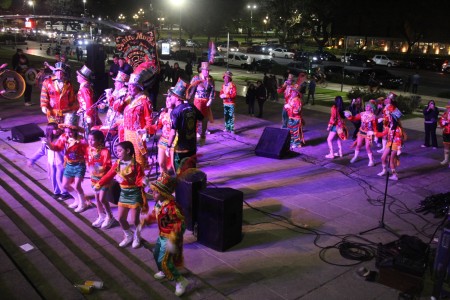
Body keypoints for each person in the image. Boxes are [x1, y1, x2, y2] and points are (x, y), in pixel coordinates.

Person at [94, 141, 147, 248]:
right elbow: (108, 175)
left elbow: (141, 179)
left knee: (134, 220)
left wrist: (146, 183)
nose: (117, 153)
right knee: (121, 219)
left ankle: (137, 236)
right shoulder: (118, 163)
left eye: (119, 151)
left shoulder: (136, 165)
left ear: (127, 151)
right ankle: (128, 235)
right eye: (117, 151)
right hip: (123, 194)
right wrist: (99, 184)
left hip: (135, 194)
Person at [145, 172, 189, 297]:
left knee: (165, 261)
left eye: (156, 192)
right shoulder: (159, 203)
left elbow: (181, 222)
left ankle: (181, 281)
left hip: (170, 238)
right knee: (155, 254)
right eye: (153, 191)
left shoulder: (172, 207)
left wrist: (175, 235)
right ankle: (164, 272)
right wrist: (146, 221)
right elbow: (155, 214)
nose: (153, 194)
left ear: (164, 193)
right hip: (162, 235)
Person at [46, 113, 89, 212]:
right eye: (66, 131)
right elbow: (57, 148)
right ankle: (77, 200)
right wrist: (48, 144)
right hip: (69, 164)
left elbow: (88, 152)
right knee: (65, 185)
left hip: (79, 165)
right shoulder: (64, 137)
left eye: (70, 132)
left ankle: (83, 204)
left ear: (75, 131)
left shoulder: (81, 140)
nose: (68, 134)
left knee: (77, 185)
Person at [115, 72, 154, 169]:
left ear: (138, 87)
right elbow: (117, 109)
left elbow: (149, 119)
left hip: (137, 135)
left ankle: (139, 180)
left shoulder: (144, 101)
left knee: (138, 158)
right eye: (129, 86)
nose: (129, 89)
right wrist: (121, 100)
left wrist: (146, 130)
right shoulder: (129, 99)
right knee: (127, 157)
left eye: (132, 87)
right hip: (126, 132)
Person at [27, 123, 71, 201]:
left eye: (58, 128)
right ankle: (57, 192)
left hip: (61, 162)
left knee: (60, 178)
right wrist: (32, 159)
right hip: (51, 163)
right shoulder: (47, 141)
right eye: (55, 129)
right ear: (50, 130)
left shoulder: (63, 138)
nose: (58, 130)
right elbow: (41, 151)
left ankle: (65, 193)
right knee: (52, 177)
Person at [167, 79, 204, 171]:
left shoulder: (175, 112)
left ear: (178, 98)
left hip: (181, 149)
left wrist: (168, 146)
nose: (170, 97)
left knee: (180, 174)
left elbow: (173, 133)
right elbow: (202, 118)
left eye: (172, 95)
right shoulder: (191, 107)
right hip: (192, 147)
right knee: (191, 172)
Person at [87, 130, 115, 229]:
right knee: (97, 198)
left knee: (102, 198)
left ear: (99, 140)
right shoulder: (89, 149)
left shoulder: (105, 151)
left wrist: (98, 168)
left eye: (93, 140)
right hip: (94, 178)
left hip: (104, 178)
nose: (90, 142)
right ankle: (101, 215)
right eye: (89, 139)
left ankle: (110, 216)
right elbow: (89, 160)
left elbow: (108, 165)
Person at [345, 101, 378, 166]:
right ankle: (355, 157)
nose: (366, 107)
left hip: (369, 133)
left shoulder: (373, 117)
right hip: (361, 132)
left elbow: (375, 127)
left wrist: (376, 135)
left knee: (367, 147)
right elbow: (354, 118)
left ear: (371, 108)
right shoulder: (362, 114)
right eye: (366, 106)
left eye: (368, 106)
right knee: (358, 145)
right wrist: (349, 116)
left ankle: (371, 161)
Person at [189, 62, 215, 140]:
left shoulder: (211, 79)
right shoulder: (196, 78)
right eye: (206, 70)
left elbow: (213, 90)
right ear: (202, 70)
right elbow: (191, 88)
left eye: (208, 70)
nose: (207, 72)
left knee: (205, 117)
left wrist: (211, 99)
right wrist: (189, 96)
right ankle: (196, 131)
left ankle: (204, 131)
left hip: (206, 101)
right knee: (196, 116)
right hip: (198, 100)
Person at [153, 95, 175, 173]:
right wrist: (145, 131)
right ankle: (164, 180)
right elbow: (157, 126)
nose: (167, 102)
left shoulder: (178, 114)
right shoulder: (163, 114)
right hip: (163, 140)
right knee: (161, 163)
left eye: (169, 100)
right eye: (166, 100)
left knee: (174, 165)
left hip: (174, 142)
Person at [76, 65, 101, 133]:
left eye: (78, 75)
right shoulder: (85, 87)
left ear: (82, 78)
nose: (77, 77)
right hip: (87, 111)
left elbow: (89, 102)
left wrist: (88, 114)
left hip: (87, 113)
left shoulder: (84, 89)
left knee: (88, 131)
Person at [284, 84, 304, 149]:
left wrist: (289, 107)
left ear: (297, 93)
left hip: (296, 119)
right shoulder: (291, 99)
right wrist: (287, 107)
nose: (292, 92)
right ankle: (292, 142)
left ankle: (297, 143)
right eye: (292, 91)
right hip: (291, 118)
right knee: (291, 131)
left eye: (294, 92)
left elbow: (297, 111)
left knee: (296, 131)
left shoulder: (298, 100)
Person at [438, 102, 450, 167]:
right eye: (448, 108)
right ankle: (446, 159)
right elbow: (441, 121)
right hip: (446, 132)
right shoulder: (445, 114)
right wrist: (443, 122)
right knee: (446, 146)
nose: (448, 109)